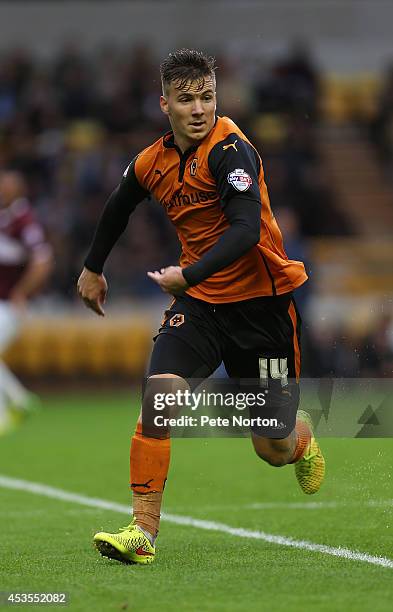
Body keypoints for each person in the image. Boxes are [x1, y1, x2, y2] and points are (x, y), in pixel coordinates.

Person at [77, 49, 325, 566]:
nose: (199, 109)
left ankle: (299, 439)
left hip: (262, 310)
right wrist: (92, 268)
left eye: (207, 97)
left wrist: (186, 273)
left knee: (271, 448)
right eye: (187, 99)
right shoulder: (152, 161)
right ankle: (142, 532)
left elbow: (245, 230)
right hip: (201, 306)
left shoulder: (231, 151)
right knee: (159, 398)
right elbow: (118, 206)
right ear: (164, 103)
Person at [0, 170, 53, 434]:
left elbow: (42, 260)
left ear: (18, 190)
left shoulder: (24, 220)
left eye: (6, 186)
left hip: (10, 305)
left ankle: (14, 405)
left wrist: (22, 291)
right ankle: (18, 402)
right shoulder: (6, 219)